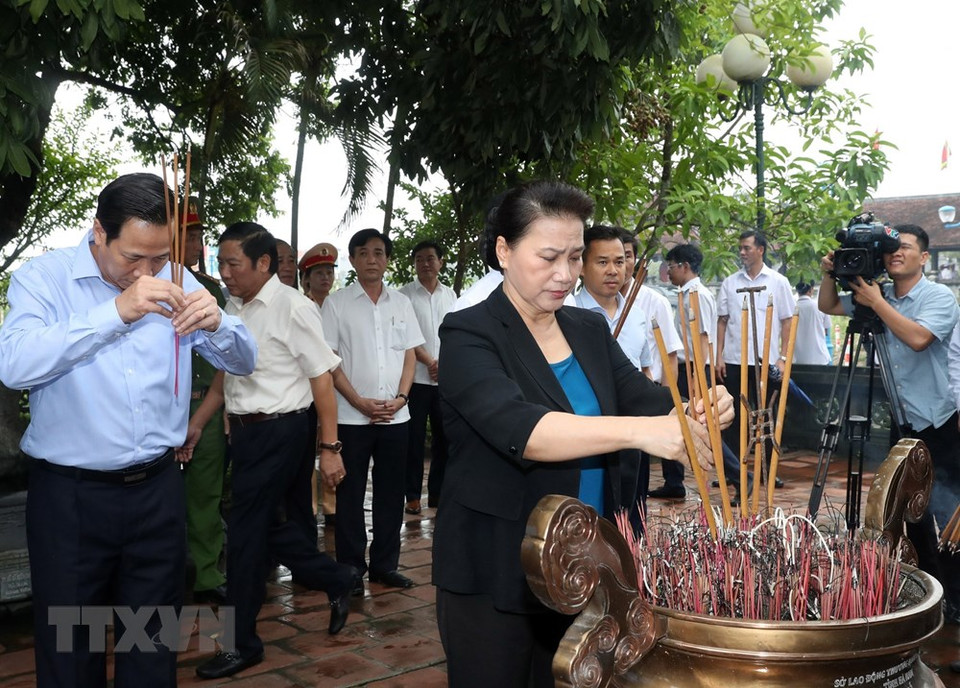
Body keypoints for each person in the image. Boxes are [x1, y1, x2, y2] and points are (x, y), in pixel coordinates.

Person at [432, 180, 733, 688]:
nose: (565, 275)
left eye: (574, 258)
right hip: (497, 560)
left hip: (588, 561)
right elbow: (524, 431)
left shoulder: (586, 329)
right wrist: (647, 433)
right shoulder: (469, 334)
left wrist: (702, 406)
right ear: (504, 251)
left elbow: (650, 402)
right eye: (548, 257)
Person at [0, 173, 257, 688]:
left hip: (157, 493)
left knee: (152, 644)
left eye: (159, 258)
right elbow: (15, 364)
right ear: (99, 232)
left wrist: (218, 324)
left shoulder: (177, 278)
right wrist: (115, 312)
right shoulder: (44, 279)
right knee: (72, 649)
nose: (147, 273)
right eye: (133, 258)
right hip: (72, 498)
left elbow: (245, 359)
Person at [194, 223, 358, 679]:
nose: (224, 273)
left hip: (282, 431)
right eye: (220, 263)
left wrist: (329, 447)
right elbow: (227, 375)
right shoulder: (234, 305)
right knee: (262, 526)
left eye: (233, 264)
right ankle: (336, 577)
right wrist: (199, 422)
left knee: (245, 536)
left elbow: (322, 377)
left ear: (263, 264)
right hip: (246, 434)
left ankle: (242, 643)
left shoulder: (293, 307)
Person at [819, 223, 960, 626]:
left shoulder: (938, 297)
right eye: (892, 249)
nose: (897, 254)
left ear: (924, 257)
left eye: (907, 248)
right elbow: (828, 307)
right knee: (908, 511)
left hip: (941, 418)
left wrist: (877, 303)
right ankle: (932, 591)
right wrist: (832, 273)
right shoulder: (871, 295)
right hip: (902, 418)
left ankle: (958, 599)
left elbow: (919, 338)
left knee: (947, 509)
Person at [321, 228, 425, 595]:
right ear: (352, 259)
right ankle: (351, 569)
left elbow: (410, 355)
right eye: (363, 253)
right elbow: (330, 363)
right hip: (353, 418)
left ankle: (385, 565)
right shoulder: (336, 304)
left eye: (378, 253)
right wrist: (359, 401)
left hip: (397, 417)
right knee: (350, 497)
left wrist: (401, 398)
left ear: (387, 259)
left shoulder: (401, 303)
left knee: (390, 492)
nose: (371, 260)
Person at [573, 224, 653, 528]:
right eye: (602, 262)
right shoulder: (567, 313)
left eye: (619, 262)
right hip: (586, 431)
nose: (613, 270)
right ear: (581, 266)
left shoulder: (638, 314)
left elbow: (645, 370)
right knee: (590, 514)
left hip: (632, 429)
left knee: (631, 513)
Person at [663, 243, 748, 499]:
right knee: (676, 418)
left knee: (701, 424)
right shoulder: (687, 292)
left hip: (694, 365)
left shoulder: (696, 294)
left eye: (671, 267)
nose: (668, 272)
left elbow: (702, 337)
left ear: (685, 267)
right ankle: (674, 481)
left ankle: (739, 475)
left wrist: (695, 373)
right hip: (688, 364)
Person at [180, 204, 230, 605]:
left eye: (199, 236)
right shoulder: (140, 288)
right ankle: (165, 575)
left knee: (205, 496)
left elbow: (227, 360)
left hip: (206, 409)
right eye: (190, 235)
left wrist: (207, 414)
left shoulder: (210, 291)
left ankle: (206, 575)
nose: (197, 244)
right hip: (162, 411)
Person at [716, 230, 793, 486]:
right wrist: (719, 356)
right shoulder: (730, 282)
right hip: (736, 359)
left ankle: (767, 471)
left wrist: (783, 357)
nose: (742, 252)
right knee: (734, 417)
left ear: (760, 250)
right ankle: (736, 473)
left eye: (747, 247)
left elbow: (786, 321)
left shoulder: (778, 282)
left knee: (766, 414)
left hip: (766, 361)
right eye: (741, 247)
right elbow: (722, 321)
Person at [399, 240, 457, 513]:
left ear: (440, 262)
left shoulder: (451, 296)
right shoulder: (404, 296)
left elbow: (456, 334)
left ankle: (437, 492)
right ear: (414, 264)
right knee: (414, 438)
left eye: (430, 258)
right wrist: (429, 361)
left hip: (445, 379)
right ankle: (411, 494)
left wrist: (443, 363)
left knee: (444, 438)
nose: (425, 264)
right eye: (420, 259)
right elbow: (405, 337)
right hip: (416, 380)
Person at [298, 241, 340, 527]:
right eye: (319, 273)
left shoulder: (338, 307)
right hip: (304, 391)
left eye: (329, 272)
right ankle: (310, 507)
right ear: (306, 279)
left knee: (332, 446)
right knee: (307, 452)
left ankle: (331, 507)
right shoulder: (301, 307)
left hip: (334, 390)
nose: (325, 278)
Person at [792, 281, 832, 365]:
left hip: (797, 359)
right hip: (820, 358)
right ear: (811, 290)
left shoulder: (791, 308)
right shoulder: (820, 306)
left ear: (797, 291)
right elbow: (826, 328)